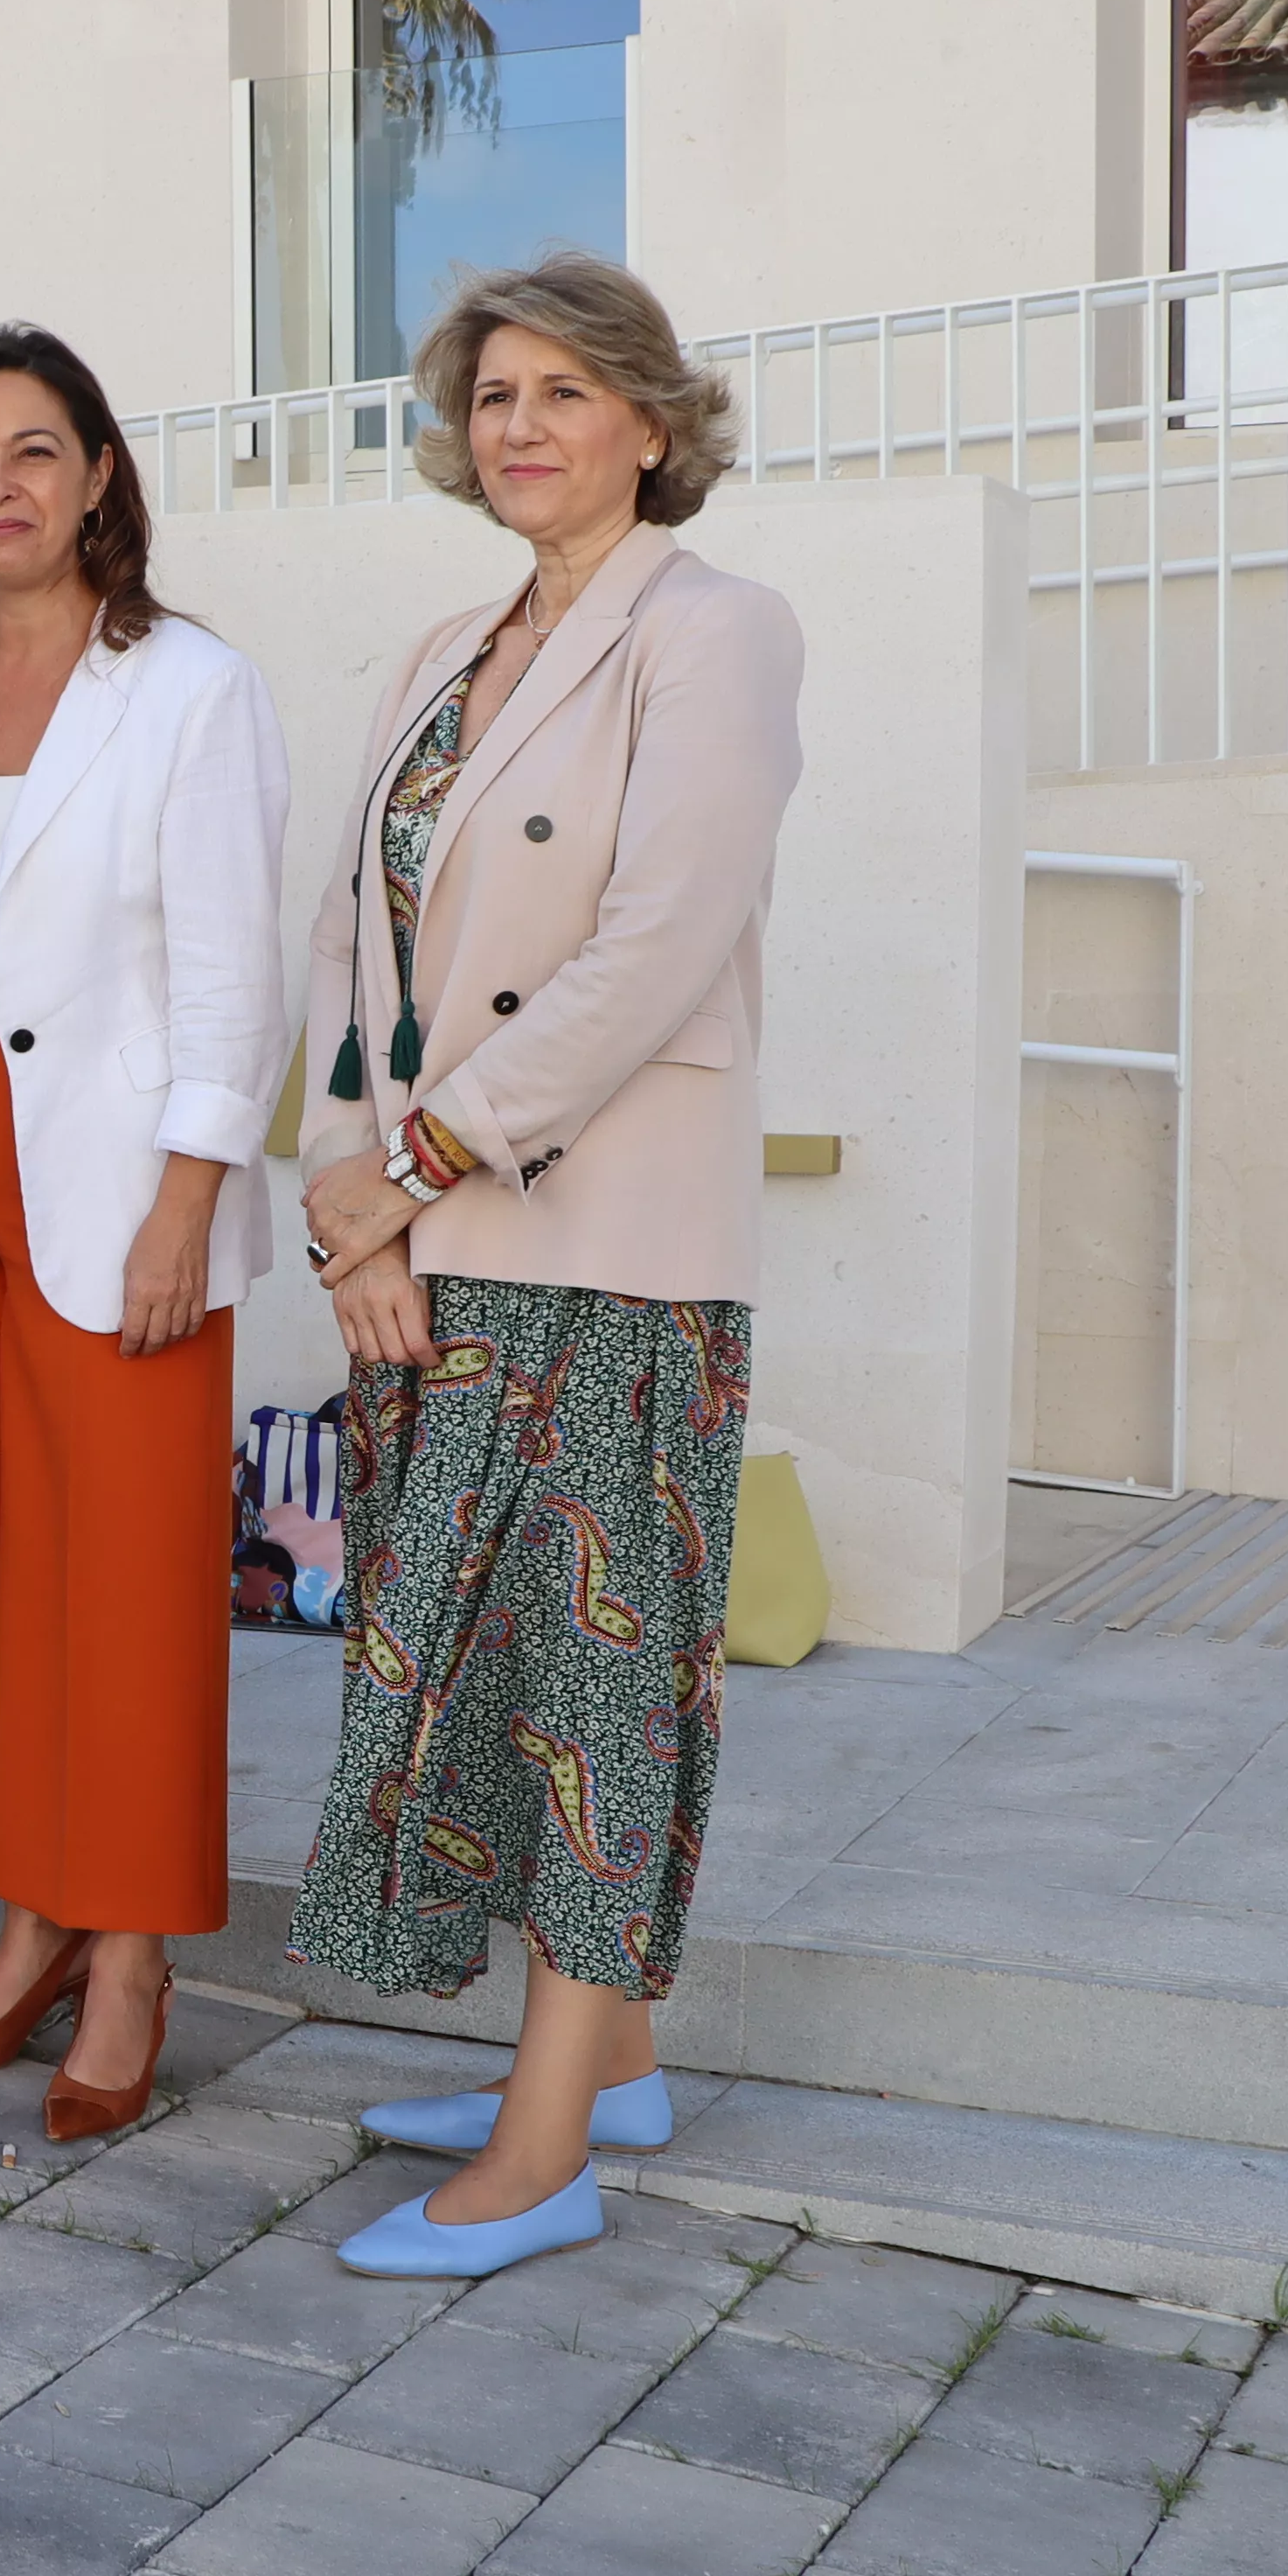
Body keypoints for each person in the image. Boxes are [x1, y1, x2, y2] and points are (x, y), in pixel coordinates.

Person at [289, 248, 800, 2278]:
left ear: (652, 427)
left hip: (610, 1241)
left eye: (563, 394)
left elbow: (658, 936)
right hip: (443, 1227)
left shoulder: (719, 632)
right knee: (482, 1664)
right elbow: (353, 945)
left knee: (596, 1687)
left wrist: (412, 1164)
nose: (518, 426)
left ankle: (544, 2146)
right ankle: (620, 2062)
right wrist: (355, 1196)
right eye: (492, 394)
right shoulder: (445, 641)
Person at [0, 327, 292, 2144]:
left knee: (116, 1580)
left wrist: (194, 1187)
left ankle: (130, 1964)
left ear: (102, 472)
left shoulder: (189, 687)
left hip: (116, 1190)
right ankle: (27, 1931)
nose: (0, 483)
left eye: (37, 448)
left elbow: (233, 966)